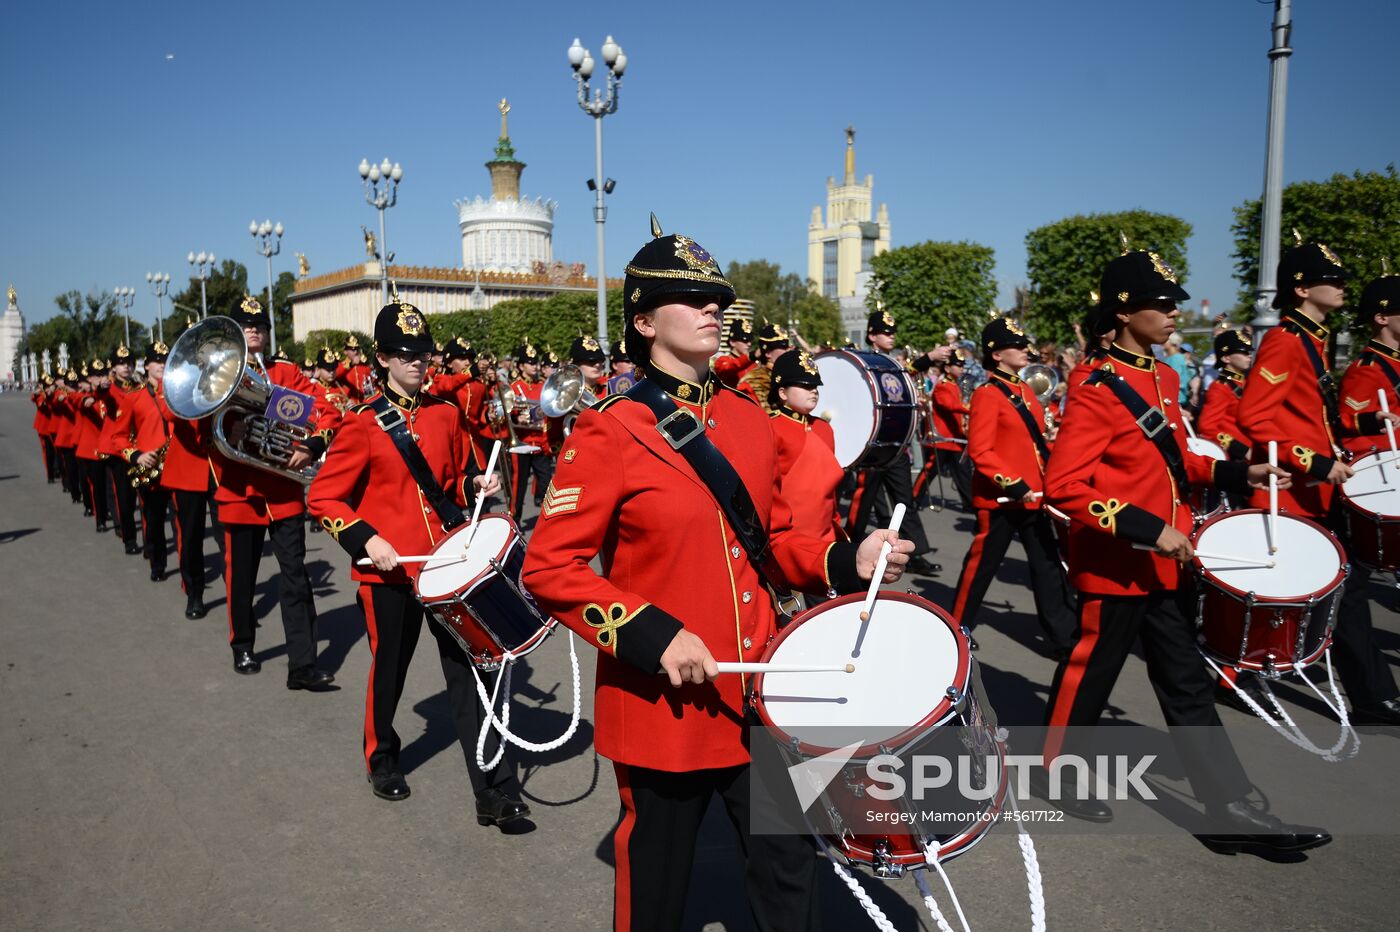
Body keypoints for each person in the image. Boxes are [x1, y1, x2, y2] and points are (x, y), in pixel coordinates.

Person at [520, 218, 911, 931]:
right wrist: (652, 636)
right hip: (665, 705)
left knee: (790, 872)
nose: (712, 311)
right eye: (691, 299)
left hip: (763, 689)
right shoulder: (610, 429)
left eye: (716, 299)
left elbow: (780, 540)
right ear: (642, 321)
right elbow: (550, 567)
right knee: (659, 892)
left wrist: (844, 558)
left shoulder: (750, 421)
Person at [1036, 248, 1330, 854]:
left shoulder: (1165, 377)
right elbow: (1063, 487)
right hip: (1119, 560)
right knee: (1092, 671)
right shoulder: (1092, 386)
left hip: (1167, 556)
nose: (1173, 314)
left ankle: (1229, 811)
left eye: (1173, 303)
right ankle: (1056, 772)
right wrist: (1145, 529)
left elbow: (1176, 459)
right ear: (1123, 312)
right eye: (1161, 304)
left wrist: (1235, 473)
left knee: (1188, 684)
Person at [307, 300, 529, 822]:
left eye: (423, 355)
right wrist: (367, 540)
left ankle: (492, 790)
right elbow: (324, 498)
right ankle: (382, 757)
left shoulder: (445, 414)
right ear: (382, 358)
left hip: (446, 566)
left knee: (471, 672)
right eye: (406, 355)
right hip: (389, 569)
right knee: (391, 668)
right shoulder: (361, 424)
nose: (418, 363)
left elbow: (453, 479)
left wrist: (479, 482)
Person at [1235, 240, 1400, 725]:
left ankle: (1369, 695)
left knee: (1339, 593)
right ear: (1302, 288)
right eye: (1334, 279)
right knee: (1284, 595)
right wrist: (1313, 461)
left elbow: (1314, 415)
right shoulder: (1287, 340)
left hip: (1314, 489)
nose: (1344, 285)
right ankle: (1235, 676)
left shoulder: (1312, 338)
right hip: (1294, 491)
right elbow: (1254, 416)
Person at [210, 296, 333, 687]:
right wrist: (230, 432)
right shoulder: (220, 374)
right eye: (246, 325)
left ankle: (302, 664)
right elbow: (199, 429)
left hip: (282, 490)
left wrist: (310, 444)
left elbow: (325, 410)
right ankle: (242, 644)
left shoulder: (286, 371)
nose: (254, 330)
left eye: (260, 325)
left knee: (295, 576)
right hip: (239, 490)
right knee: (242, 578)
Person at [950, 317, 1077, 658]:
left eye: (1024, 344)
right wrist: (1015, 484)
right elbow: (980, 450)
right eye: (1017, 346)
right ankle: (956, 627)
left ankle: (1063, 636)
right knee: (982, 565)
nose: (1026, 350)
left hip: (1033, 495)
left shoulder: (1025, 391)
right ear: (996, 354)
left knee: (1047, 564)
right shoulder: (987, 394)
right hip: (1001, 497)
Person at [845, 309, 940, 575]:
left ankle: (917, 552)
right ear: (872, 336)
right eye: (885, 332)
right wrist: (928, 358)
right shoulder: (861, 362)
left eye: (892, 332)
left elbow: (905, 382)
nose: (891, 336)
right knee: (863, 500)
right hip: (873, 446)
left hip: (896, 445)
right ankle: (847, 545)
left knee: (904, 500)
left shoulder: (895, 364)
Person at [768, 348, 844, 547]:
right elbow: (767, 488)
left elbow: (829, 487)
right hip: (788, 534)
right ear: (782, 392)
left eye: (815, 386)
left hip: (825, 531)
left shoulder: (824, 428)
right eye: (804, 385)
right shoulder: (770, 427)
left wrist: (835, 520)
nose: (813, 391)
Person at [124, 342, 173, 582]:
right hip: (150, 467)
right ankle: (158, 563)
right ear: (146, 366)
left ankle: (190, 574)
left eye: (166, 359)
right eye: (157, 360)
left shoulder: (178, 392)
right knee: (154, 522)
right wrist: (136, 455)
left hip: (178, 466)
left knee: (182, 524)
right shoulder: (134, 397)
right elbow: (116, 436)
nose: (162, 364)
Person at [915, 347, 973, 508]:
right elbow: (950, 405)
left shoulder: (954, 385)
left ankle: (970, 504)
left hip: (956, 438)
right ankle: (914, 499)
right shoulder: (942, 385)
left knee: (963, 473)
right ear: (947, 368)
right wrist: (972, 406)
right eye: (958, 365)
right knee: (929, 471)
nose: (961, 368)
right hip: (942, 439)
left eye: (962, 365)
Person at [507, 341, 550, 519]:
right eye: (531, 363)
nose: (535, 366)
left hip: (541, 441)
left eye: (536, 362)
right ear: (521, 366)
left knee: (547, 483)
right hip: (522, 442)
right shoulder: (514, 387)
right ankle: (514, 520)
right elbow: (506, 414)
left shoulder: (544, 384)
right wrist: (517, 418)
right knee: (519, 485)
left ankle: (550, 520)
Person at [1197, 330, 1252, 462]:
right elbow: (1206, 427)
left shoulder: (1245, 382)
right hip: (1239, 458)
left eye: (1249, 352)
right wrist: (1241, 450)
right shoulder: (1220, 387)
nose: (1249, 356)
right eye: (1243, 352)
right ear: (1226, 358)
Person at [737, 323, 789, 412]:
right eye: (783, 347)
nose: (788, 350)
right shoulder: (753, 381)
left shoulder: (790, 375)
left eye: (787, 346)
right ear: (768, 353)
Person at [713, 317, 754, 388]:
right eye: (745, 340)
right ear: (732, 342)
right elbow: (729, 368)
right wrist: (752, 356)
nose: (749, 344)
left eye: (750, 340)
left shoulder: (753, 364)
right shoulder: (722, 361)